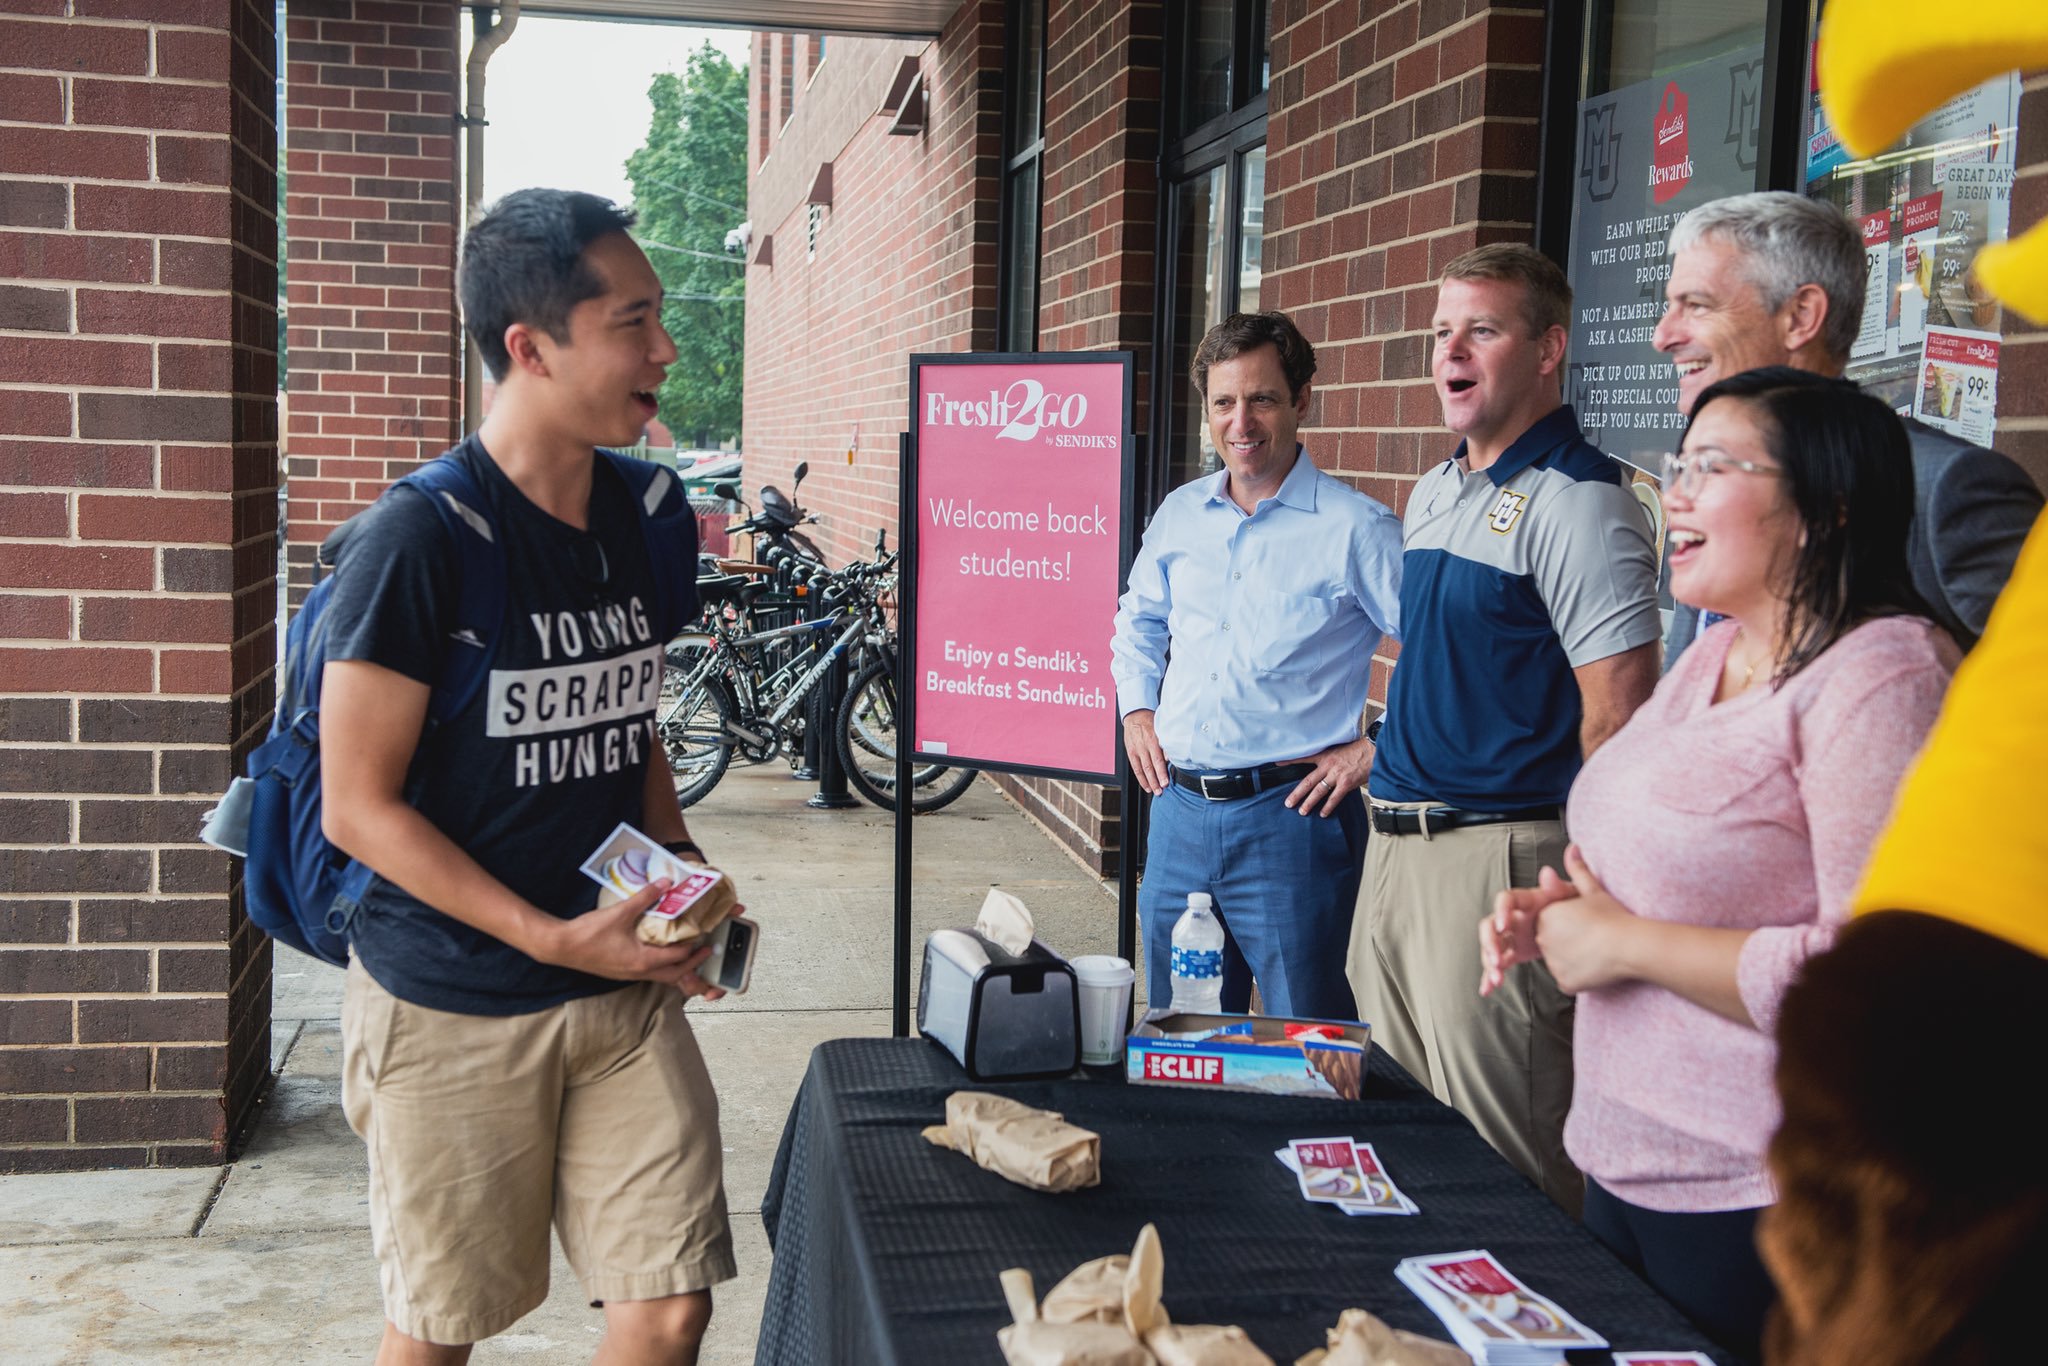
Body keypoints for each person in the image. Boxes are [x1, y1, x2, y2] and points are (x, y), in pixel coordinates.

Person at [320, 189, 735, 1365]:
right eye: (634, 320)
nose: (665, 349)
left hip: (616, 992)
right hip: (450, 1001)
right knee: (442, 1331)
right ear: (530, 346)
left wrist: (684, 873)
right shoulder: (422, 539)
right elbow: (357, 806)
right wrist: (550, 939)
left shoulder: (652, 514)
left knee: (665, 1307)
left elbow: (626, 716)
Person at [1480, 367, 1957, 1362]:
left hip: (1757, 1198)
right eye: (1676, 462)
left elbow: (1879, 983)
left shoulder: (1882, 675)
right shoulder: (1712, 650)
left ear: (1821, 508)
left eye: (1712, 465)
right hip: (1620, 1160)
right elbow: (1670, 853)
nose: (1675, 489)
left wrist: (1624, 944)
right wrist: (1557, 908)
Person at [1347, 243, 1661, 1212]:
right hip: (1393, 852)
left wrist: (1586, 891)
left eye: (1481, 329)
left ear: (1547, 349)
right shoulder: (1436, 489)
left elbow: (1619, 720)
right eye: (1442, 331)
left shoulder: (1582, 502)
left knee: (1502, 1174)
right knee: (1399, 1147)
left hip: (1497, 862)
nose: (1452, 349)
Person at [1111, 311, 1403, 1021]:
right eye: (1223, 402)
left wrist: (1375, 749)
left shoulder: (1357, 529)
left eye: (1262, 399)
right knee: (1184, 1036)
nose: (1241, 422)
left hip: (1292, 822)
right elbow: (1138, 621)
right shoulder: (1180, 514)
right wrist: (1137, 710)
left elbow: (1439, 653)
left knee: (1309, 1039)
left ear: (1301, 401)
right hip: (1179, 814)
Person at [1653, 191, 2039, 665]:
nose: (1663, 336)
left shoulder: (1945, 490)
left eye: (1696, 305)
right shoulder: (1704, 476)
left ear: (1800, 316)